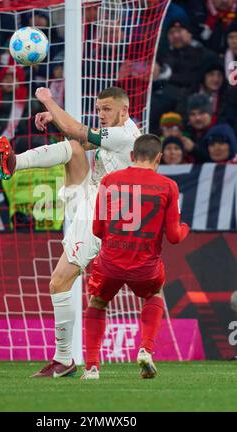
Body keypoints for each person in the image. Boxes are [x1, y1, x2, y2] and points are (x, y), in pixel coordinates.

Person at [0, 86, 141, 377]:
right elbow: (80, 139)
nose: (101, 114)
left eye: (107, 109)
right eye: (99, 109)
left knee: (59, 282)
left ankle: (64, 360)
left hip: (105, 214)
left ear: (124, 110)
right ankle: (14, 163)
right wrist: (56, 118)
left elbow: (81, 130)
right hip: (92, 196)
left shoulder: (125, 135)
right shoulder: (115, 132)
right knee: (73, 147)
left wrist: (50, 101)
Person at [81, 134, 189, 380]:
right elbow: (173, 237)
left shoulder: (109, 180)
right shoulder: (168, 186)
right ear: (159, 158)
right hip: (145, 266)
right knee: (155, 294)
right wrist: (185, 228)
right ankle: (145, 350)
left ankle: (92, 367)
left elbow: (97, 229)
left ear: (131, 156)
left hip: (110, 263)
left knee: (97, 303)